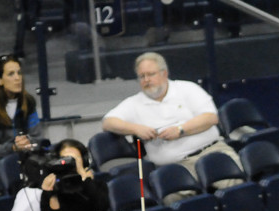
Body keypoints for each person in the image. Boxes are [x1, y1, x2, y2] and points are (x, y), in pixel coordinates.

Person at [102, 52, 241, 191]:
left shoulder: (187, 88)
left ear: (164, 73)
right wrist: (135, 128)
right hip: (173, 167)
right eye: (141, 76)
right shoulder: (134, 103)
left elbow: (210, 117)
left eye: (151, 74)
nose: (146, 80)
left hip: (211, 152)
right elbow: (108, 122)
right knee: (175, 201)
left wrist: (181, 130)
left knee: (237, 189)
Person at [0, 54, 43, 165]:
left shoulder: (28, 102)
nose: (17, 78)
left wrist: (26, 142)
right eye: (11, 74)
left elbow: (37, 138)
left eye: (19, 73)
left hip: (23, 159)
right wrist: (13, 147)